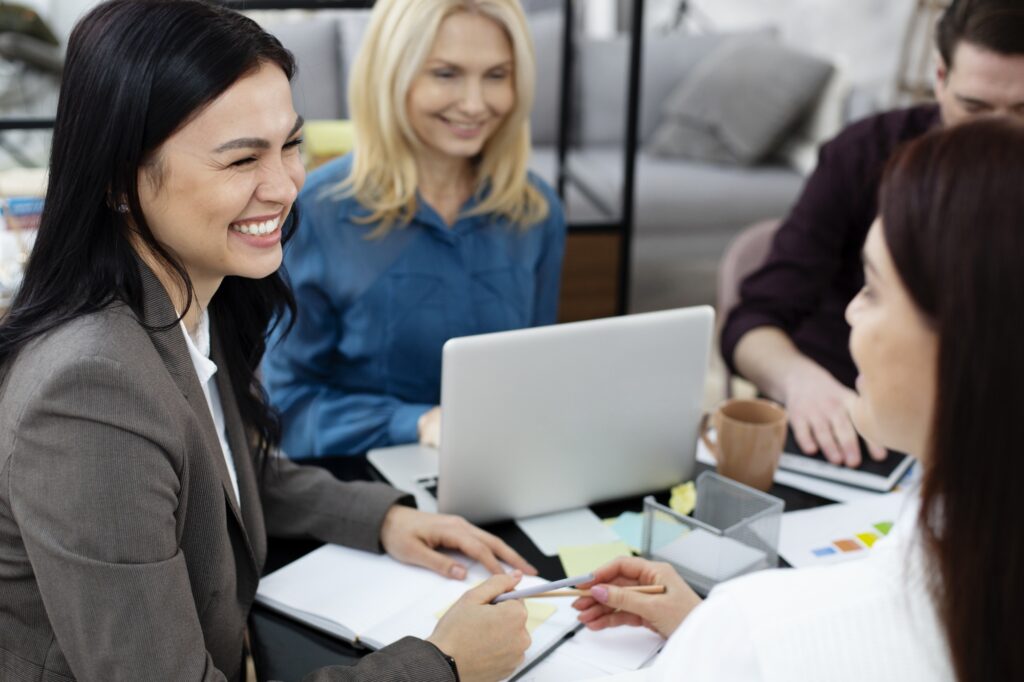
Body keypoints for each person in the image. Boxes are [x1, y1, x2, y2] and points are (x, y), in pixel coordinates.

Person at [0, 2, 541, 680]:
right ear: (117, 179)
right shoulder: (89, 394)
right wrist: (443, 664)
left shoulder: (197, 295)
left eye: (289, 145)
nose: (286, 187)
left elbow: (219, 473)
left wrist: (381, 519)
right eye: (241, 159)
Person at [572, 118, 1024, 681]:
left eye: (874, 290)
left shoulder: (762, 631)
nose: (852, 312)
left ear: (964, 344)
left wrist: (728, 643)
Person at [720, 0, 1024, 467]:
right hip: (851, 429)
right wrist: (800, 382)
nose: (997, 134)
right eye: (975, 107)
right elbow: (752, 320)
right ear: (939, 79)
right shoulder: (863, 157)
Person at [262, 0, 567, 458]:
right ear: (392, 76)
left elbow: (537, 379)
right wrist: (419, 422)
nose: (474, 103)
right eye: (445, 74)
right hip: (360, 480)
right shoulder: (315, 213)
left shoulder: (536, 210)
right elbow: (287, 409)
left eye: (497, 76)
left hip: (500, 464)